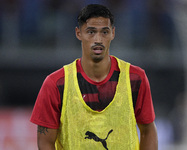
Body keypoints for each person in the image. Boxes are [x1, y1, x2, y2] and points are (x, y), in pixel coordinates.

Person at [30, 4, 158, 150]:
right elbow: (45, 142)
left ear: (113, 33)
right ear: (78, 33)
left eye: (104, 32)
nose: (98, 39)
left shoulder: (135, 79)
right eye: (91, 32)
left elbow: (148, 131)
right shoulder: (56, 84)